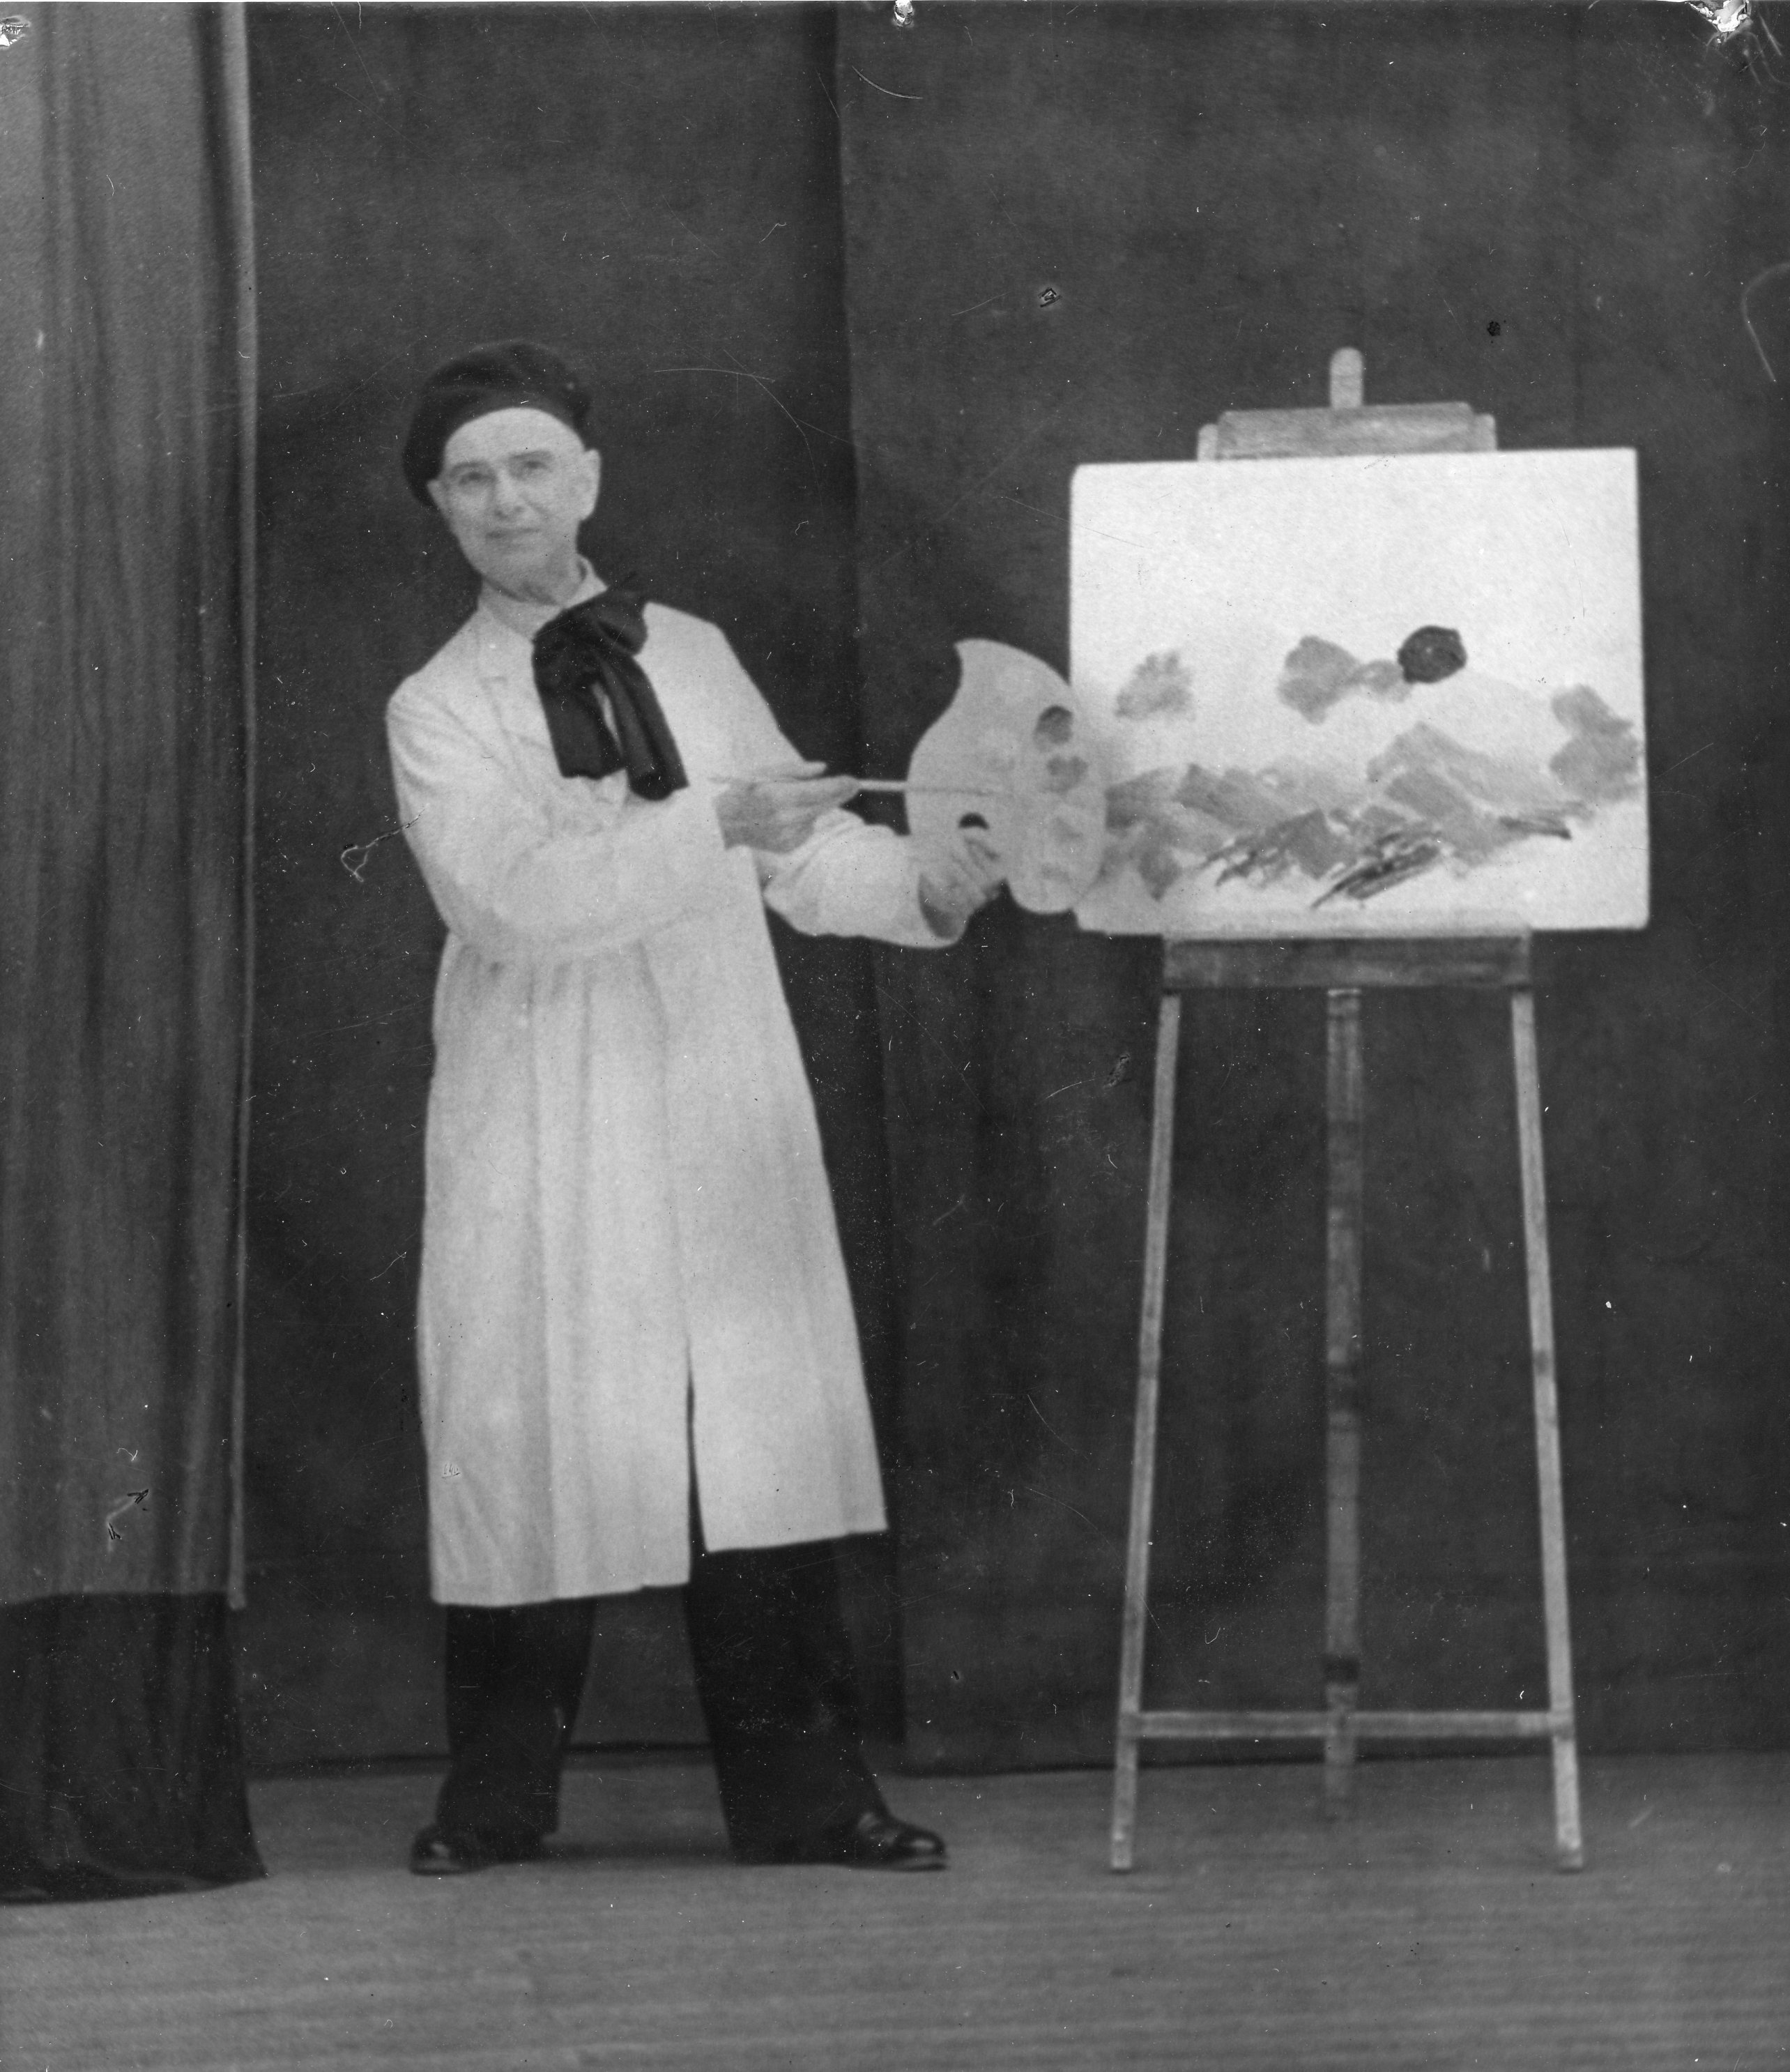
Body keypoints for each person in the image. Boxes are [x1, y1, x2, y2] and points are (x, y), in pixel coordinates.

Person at [385, 341, 1002, 1876]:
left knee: (753, 1430)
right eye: (473, 479)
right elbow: (509, 900)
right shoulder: (437, 705)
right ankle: (493, 1804)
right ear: (443, 511)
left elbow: (799, 848)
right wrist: (716, 825)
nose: (507, 500)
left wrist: (919, 887)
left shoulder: (698, 653)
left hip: (718, 1074)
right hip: (549, 1090)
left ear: (589, 480)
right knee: (536, 1426)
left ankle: (811, 1803)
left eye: (532, 467)